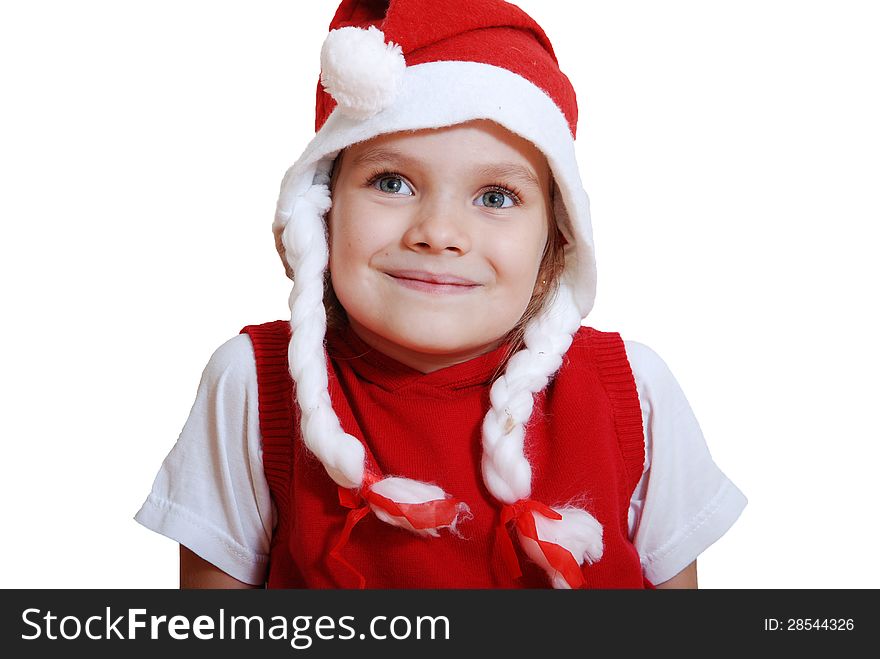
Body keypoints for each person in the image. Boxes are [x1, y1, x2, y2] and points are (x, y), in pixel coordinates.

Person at [136, 0, 746, 589]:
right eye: (392, 181)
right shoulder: (251, 385)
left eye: (497, 197)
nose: (438, 233)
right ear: (320, 213)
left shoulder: (634, 394)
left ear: (556, 241)